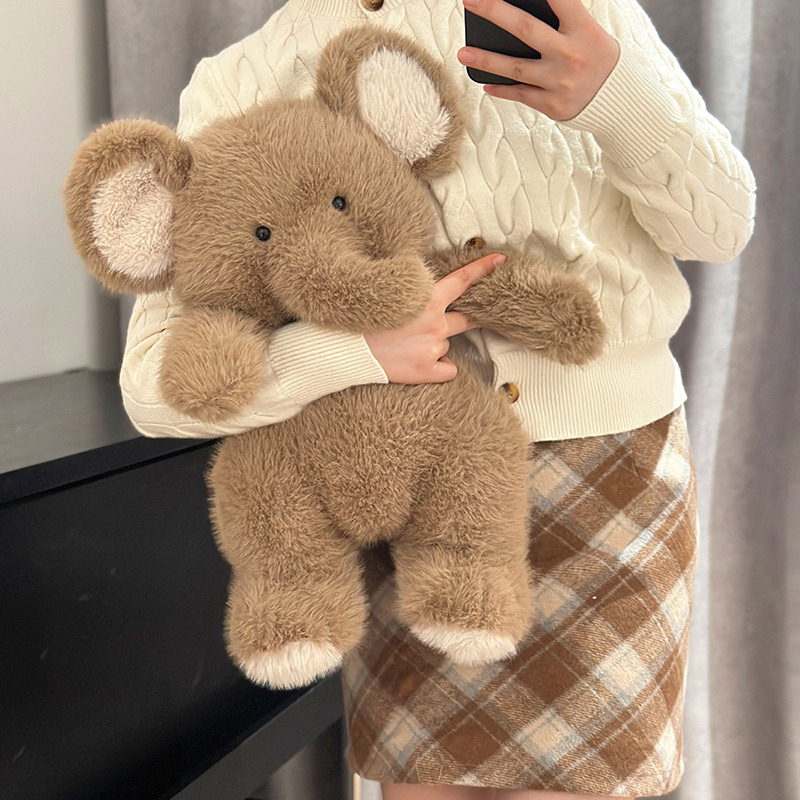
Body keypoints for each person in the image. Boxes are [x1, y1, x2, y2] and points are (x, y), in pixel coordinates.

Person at [119, 0, 756, 797]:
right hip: (409, 498)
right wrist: (355, 353)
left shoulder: (580, 12)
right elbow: (150, 386)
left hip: (615, 478)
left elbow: (722, 229)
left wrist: (617, 98)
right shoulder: (241, 79)